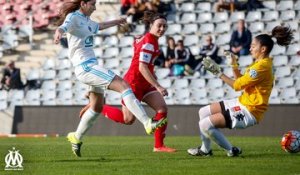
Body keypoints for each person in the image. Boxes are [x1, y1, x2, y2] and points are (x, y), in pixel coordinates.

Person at [53, 0, 166, 157]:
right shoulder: (73, 17)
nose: (95, 7)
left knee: (97, 107)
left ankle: (76, 136)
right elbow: (64, 26)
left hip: (90, 66)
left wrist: (117, 21)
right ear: (83, 4)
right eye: (92, 4)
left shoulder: (86, 20)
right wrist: (59, 32)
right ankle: (147, 122)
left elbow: (99, 26)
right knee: (124, 86)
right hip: (86, 67)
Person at [187, 25, 293, 157]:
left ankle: (231, 150)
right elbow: (242, 83)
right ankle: (205, 150)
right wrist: (233, 64)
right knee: (203, 111)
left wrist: (218, 73)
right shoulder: (260, 64)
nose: (250, 48)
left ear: (263, 49)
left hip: (250, 110)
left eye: (253, 46)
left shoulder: (262, 67)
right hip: (243, 102)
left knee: (205, 124)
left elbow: (237, 86)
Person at [79, 10, 176, 153]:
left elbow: (139, 50)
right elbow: (142, 67)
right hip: (134, 83)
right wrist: (158, 86)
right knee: (128, 120)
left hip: (145, 84)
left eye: (164, 27)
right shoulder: (149, 42)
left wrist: (138, 41)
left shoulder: (148, 39)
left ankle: (159, 146)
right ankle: (97, 106)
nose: (162, 29)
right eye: (159, 25)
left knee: (162, 109)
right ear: (150, 25)